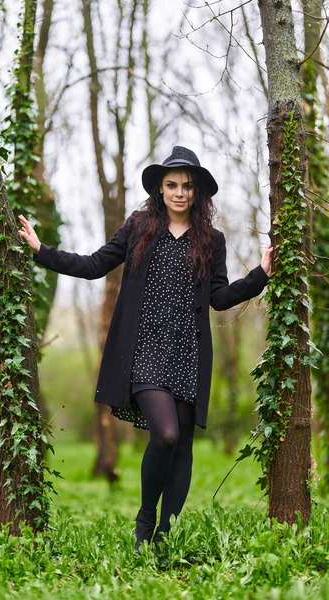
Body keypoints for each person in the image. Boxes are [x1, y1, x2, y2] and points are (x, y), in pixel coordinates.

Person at [18, 146, 273, 552]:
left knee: (184, 443)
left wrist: (261, 274)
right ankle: (145, 520)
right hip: (145, 351)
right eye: (171, 185)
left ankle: (164, 537)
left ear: (198, 193)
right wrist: (40, 251)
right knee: (167, 435)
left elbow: (220, 298)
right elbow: (94, 264)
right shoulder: (140, 227)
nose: (179, 193)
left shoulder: (212, 239)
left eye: (187, 186)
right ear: (159, 188)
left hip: (188, 352)